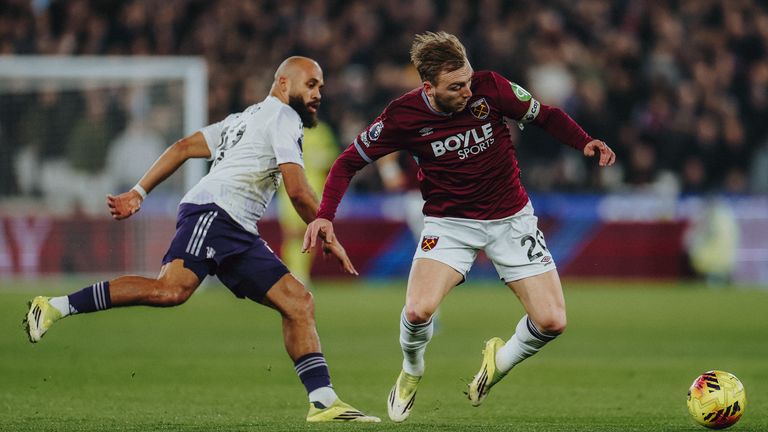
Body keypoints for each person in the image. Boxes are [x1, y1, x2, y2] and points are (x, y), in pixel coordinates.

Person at [24, 56, 379, 423]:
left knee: (298, 302)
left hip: (235, 227)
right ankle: (55, 306)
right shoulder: (283, 118)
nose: (319, 92)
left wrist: (138, 193)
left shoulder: (242, 119)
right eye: (311, 84)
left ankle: (323, 402)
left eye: (321, 85)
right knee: (170, 290)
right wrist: (325, 225)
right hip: (215, 213)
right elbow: (298, 190)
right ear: (284, 84)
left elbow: (182, 147)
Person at [303, 32, 615, 422]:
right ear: (428, 87)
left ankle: (498, 362)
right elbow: (347, 162)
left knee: (552, 321)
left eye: (467, 79)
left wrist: (584, 142)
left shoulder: (492, 88)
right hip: (450, 225)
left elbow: (545, 115)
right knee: (418, 311)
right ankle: (412, 370)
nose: (468, 90)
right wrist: (324, 215)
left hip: (511, 219)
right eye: (456, 86)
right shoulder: (402, 115)